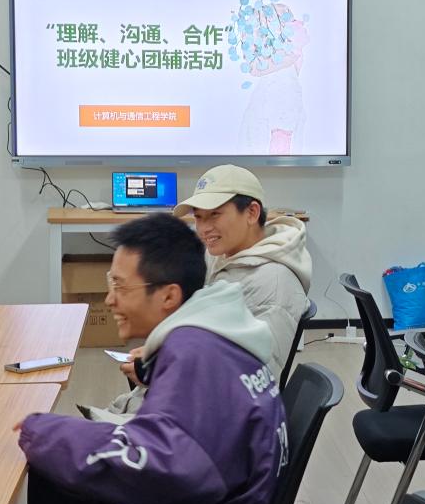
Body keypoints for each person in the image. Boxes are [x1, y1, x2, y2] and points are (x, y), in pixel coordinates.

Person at [2, 213, 286, 504]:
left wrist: (48, 433)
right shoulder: (215, 339)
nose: (109, 300)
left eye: (121, 287)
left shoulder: (194, 357)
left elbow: (159, 468)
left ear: (168, 295)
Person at [92, 164, 310, 422]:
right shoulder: (221, 255)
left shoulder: (273, 284)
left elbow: (251, 382)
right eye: (198, 217)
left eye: (215, 214)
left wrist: (162, 370)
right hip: (168, 407)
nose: (204, 229)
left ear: (251, 212)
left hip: (199, 424)